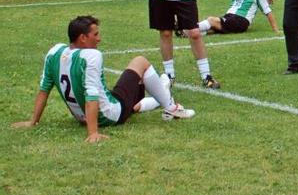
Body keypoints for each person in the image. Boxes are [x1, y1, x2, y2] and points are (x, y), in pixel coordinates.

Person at [12, 16, 195, 143]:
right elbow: (91, 96)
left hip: (83, 116)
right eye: (95, 34)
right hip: (109, 115)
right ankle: (171, 108)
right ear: (83, 38)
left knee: (132, 101)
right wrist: (93, 133)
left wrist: (33, 121)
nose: (99, 39)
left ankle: (162, 91)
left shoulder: (54, 53)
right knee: (141, 62)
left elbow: (44, 89)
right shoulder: (91, 56)